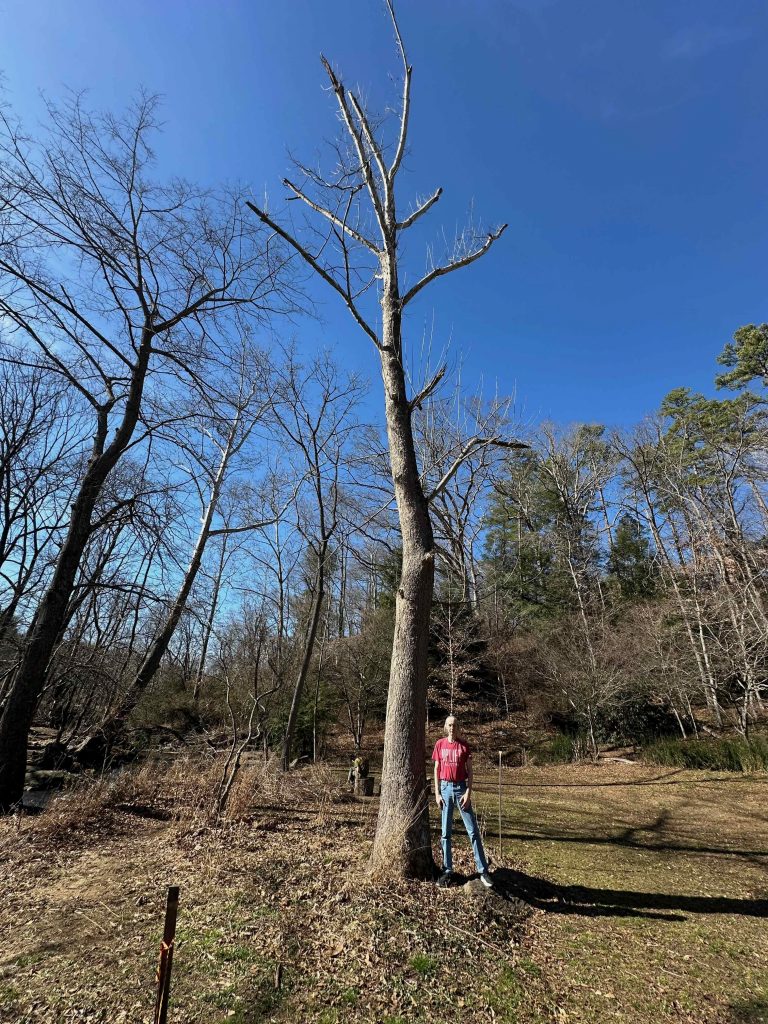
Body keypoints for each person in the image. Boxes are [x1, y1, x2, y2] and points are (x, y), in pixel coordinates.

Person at [432, 715, 493, 887]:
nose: (452, 728)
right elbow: (436, 770)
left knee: (472, 830)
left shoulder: (464, 746)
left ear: (459, 727)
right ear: (446, 727)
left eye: (455, 725)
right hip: (444, 789)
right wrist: (437, 793)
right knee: (445, 833)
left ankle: (483, 871)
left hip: (460, 789)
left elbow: (470, 771)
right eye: (450, 725)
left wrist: (468, 792)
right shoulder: (439, 745)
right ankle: (447, 870)